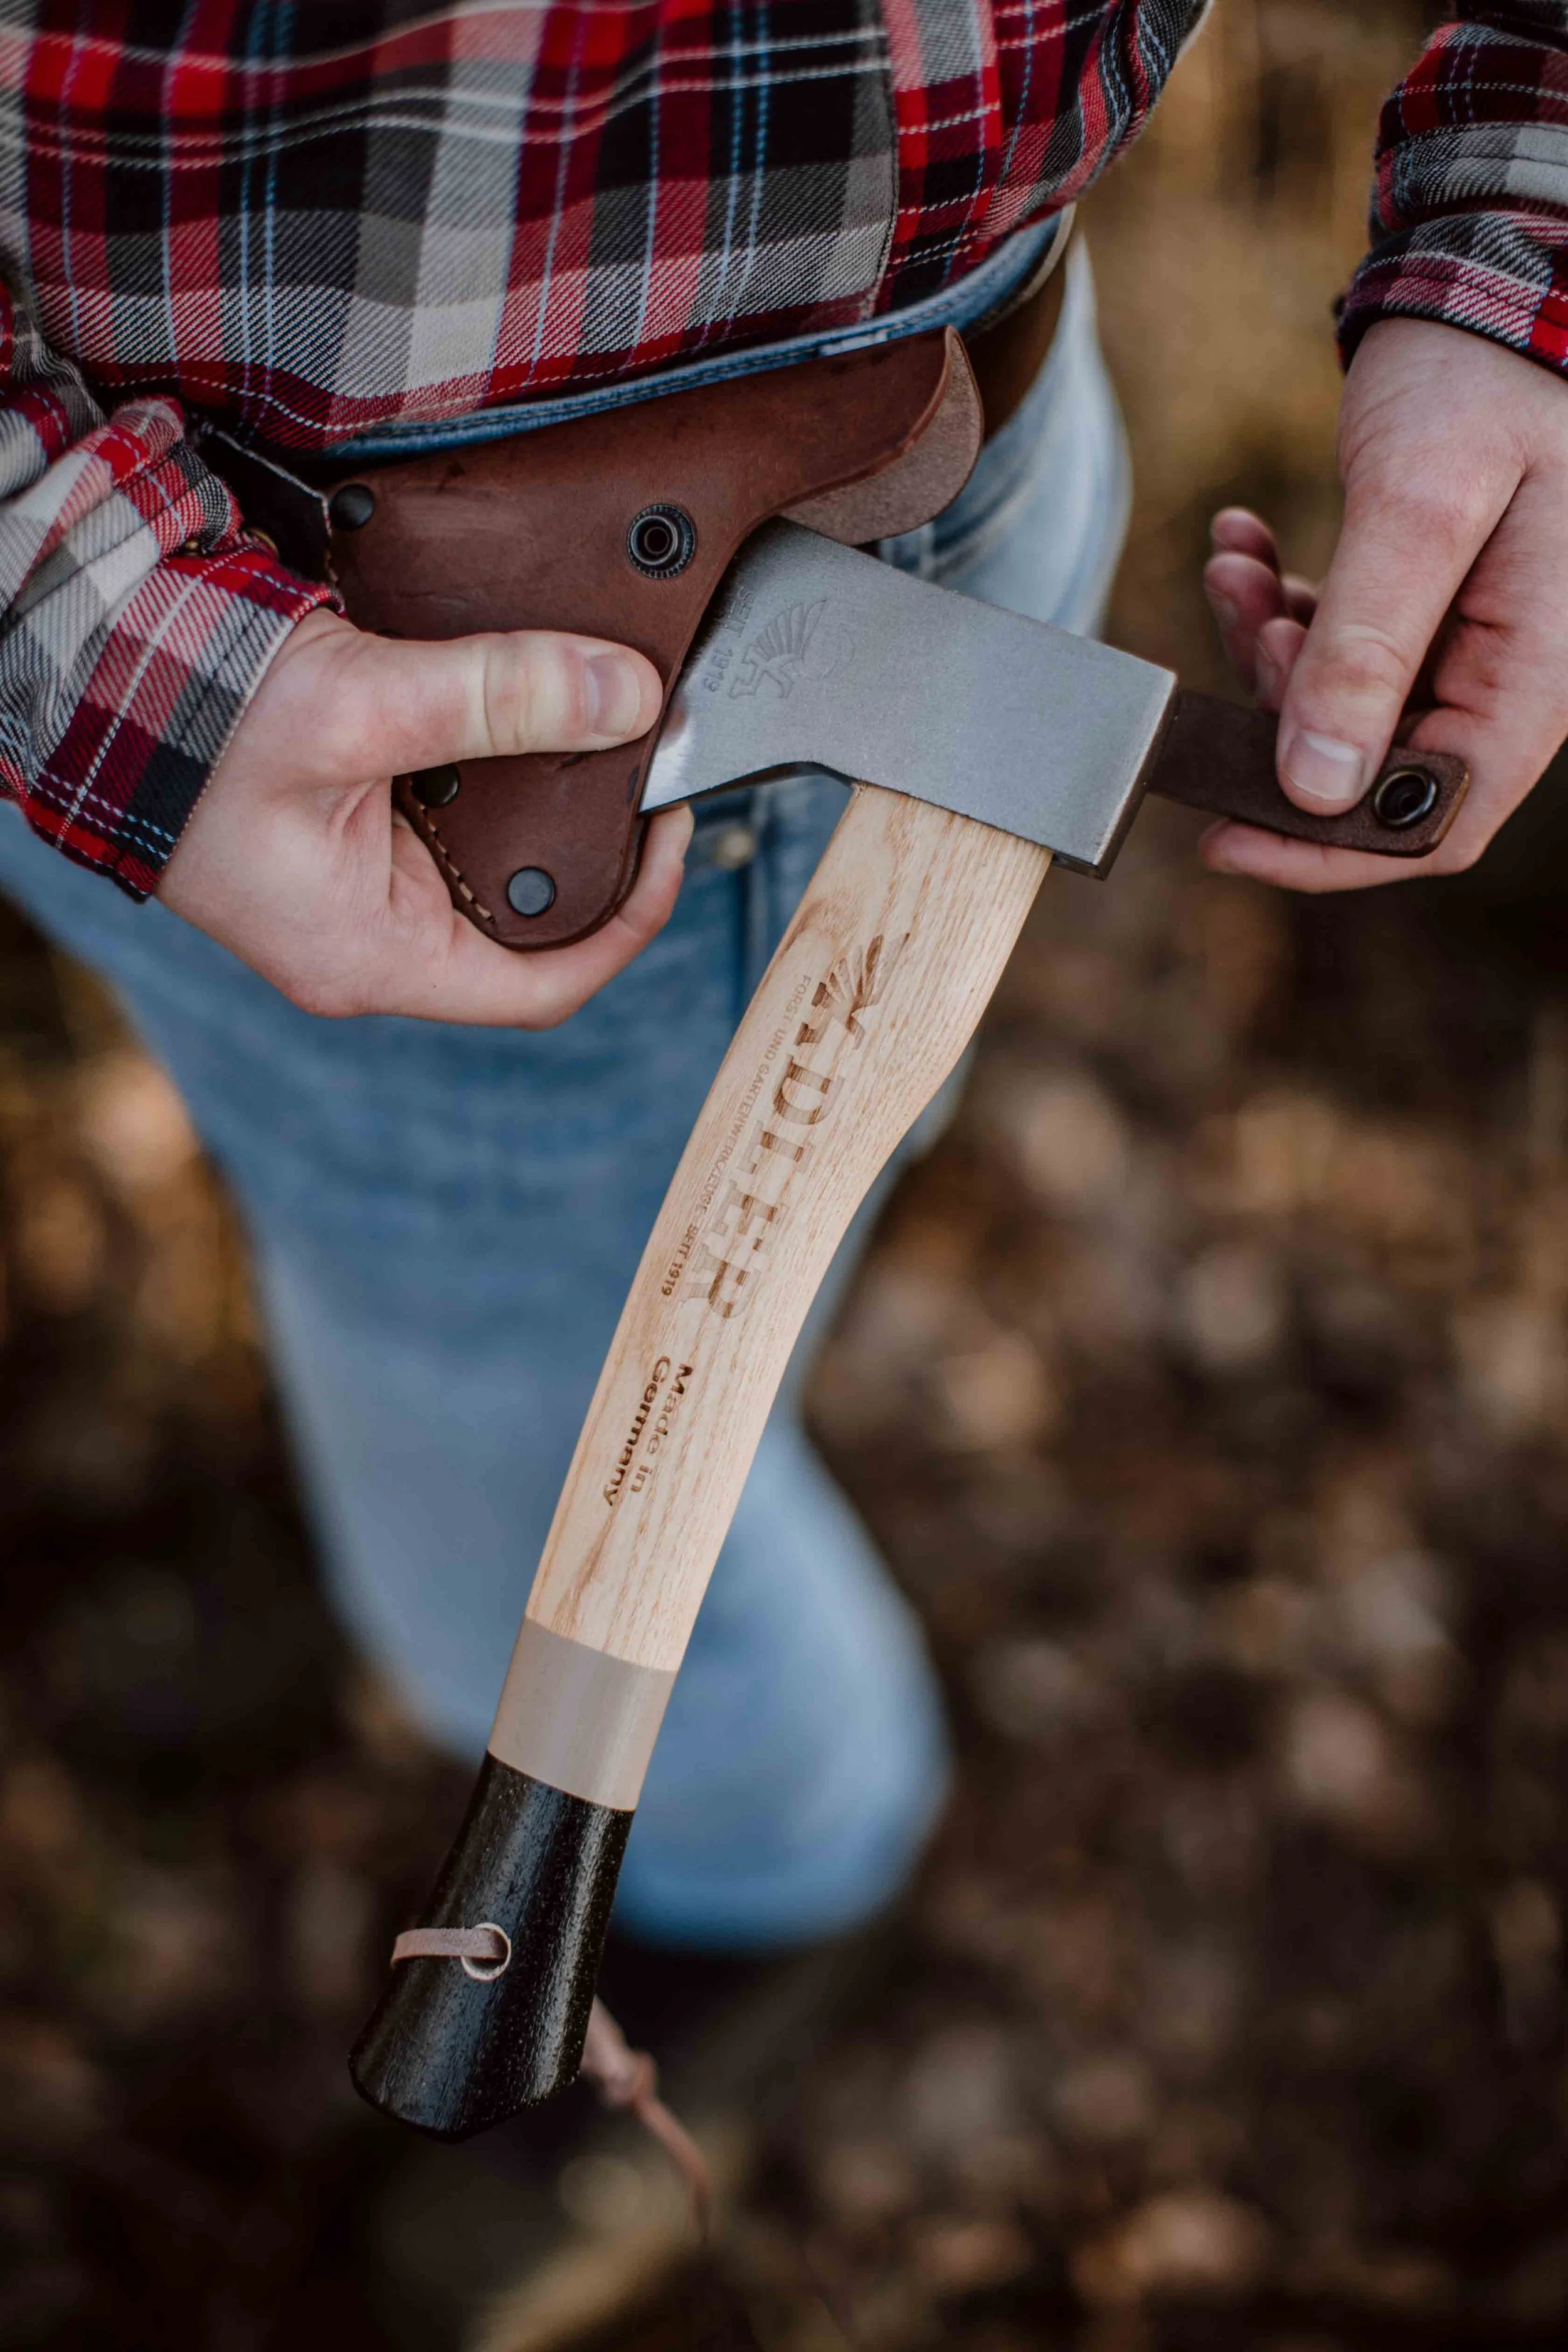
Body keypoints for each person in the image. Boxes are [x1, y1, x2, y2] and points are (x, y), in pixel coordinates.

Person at [2, 0, 1565, 1973]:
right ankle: (418, 1576)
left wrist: (1530, 210)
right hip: (211, 627)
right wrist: (85, 619)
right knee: (436, 1348)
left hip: (526, 692)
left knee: (515, 1441)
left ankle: (756, 1881)